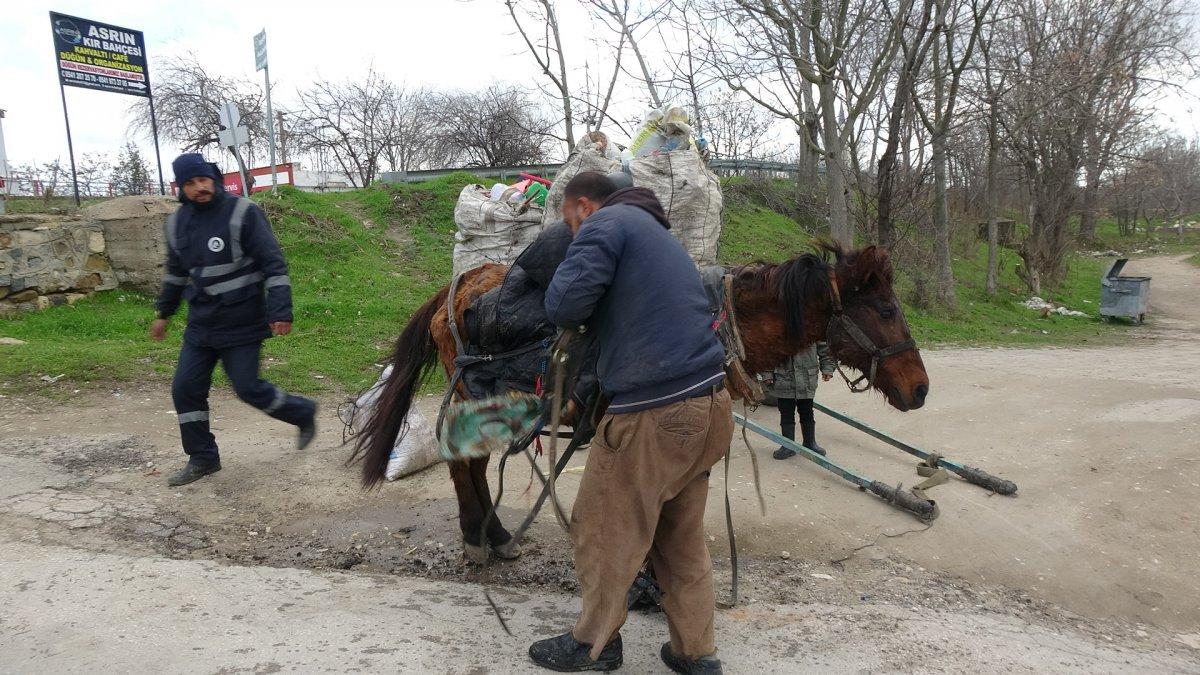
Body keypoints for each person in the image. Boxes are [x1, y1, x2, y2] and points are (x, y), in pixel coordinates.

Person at [530, 171, 733, 674]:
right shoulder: (656, 232)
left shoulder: (604, 225)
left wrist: (566, 259)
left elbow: (564, 304)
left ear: (582, 206)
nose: (573, 230)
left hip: (654, 413)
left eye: (569, 222)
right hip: (710, 403)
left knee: (600, 526)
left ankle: (592, 646)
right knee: (678, 536)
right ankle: (695, 653)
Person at [151, 153, 317, 487]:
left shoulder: (244, 212)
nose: (200, 188)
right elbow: (175, 274)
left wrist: (281, 311)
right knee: (185, 389)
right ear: (181, 188)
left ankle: (302, 412)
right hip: (201, 325)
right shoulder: (175, 224)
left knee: (247, 388)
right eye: (191, 183)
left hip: (243, 321)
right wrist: (164, 314)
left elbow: (274, 265)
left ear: (213, 177)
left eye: (203, 180)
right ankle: (202, 458)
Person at [766, 343, 835, 459]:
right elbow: (766, 352)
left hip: (806, 377)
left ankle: (810, 443)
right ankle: (788, 446)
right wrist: (767, 373)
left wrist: (827, 368)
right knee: (786, 412)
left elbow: (825, 348)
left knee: (807, 411)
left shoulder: (812, 326)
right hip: (783, 377)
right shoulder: (776, 325)